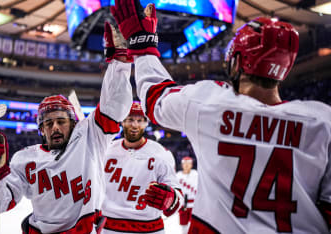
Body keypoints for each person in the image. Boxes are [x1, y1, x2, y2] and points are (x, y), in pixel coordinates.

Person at [111, 1, 331, 233]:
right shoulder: (322, 120)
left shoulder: (209, 102)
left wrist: (142, 46)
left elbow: (155, 98)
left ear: (236, 62)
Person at [0, 22, 134, 234]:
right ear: (41, 130)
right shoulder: (25, 159)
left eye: (61, 121)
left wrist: (119, 62)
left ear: (74, 123)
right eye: (48, 124)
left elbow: (115, 103)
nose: (55, 128)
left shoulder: (90, 137)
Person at [101, 102, 183, 233]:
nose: (135, 125)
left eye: (140, 121)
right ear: (122, 122)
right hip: (108, 227)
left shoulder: (161, 153)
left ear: (146, 124)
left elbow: (178, 195)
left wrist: (171, 198)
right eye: (130, 120)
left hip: (149, 228)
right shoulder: (107, 150)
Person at [176, 156, 198, 234]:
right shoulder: (178, 176)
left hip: (194, 204)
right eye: (184, 163)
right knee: (183, 225)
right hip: (183, 204)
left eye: (188, 163)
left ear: (191, 165)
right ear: (182, 165)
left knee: (193, 224)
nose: (186, 165)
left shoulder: (195, 174)